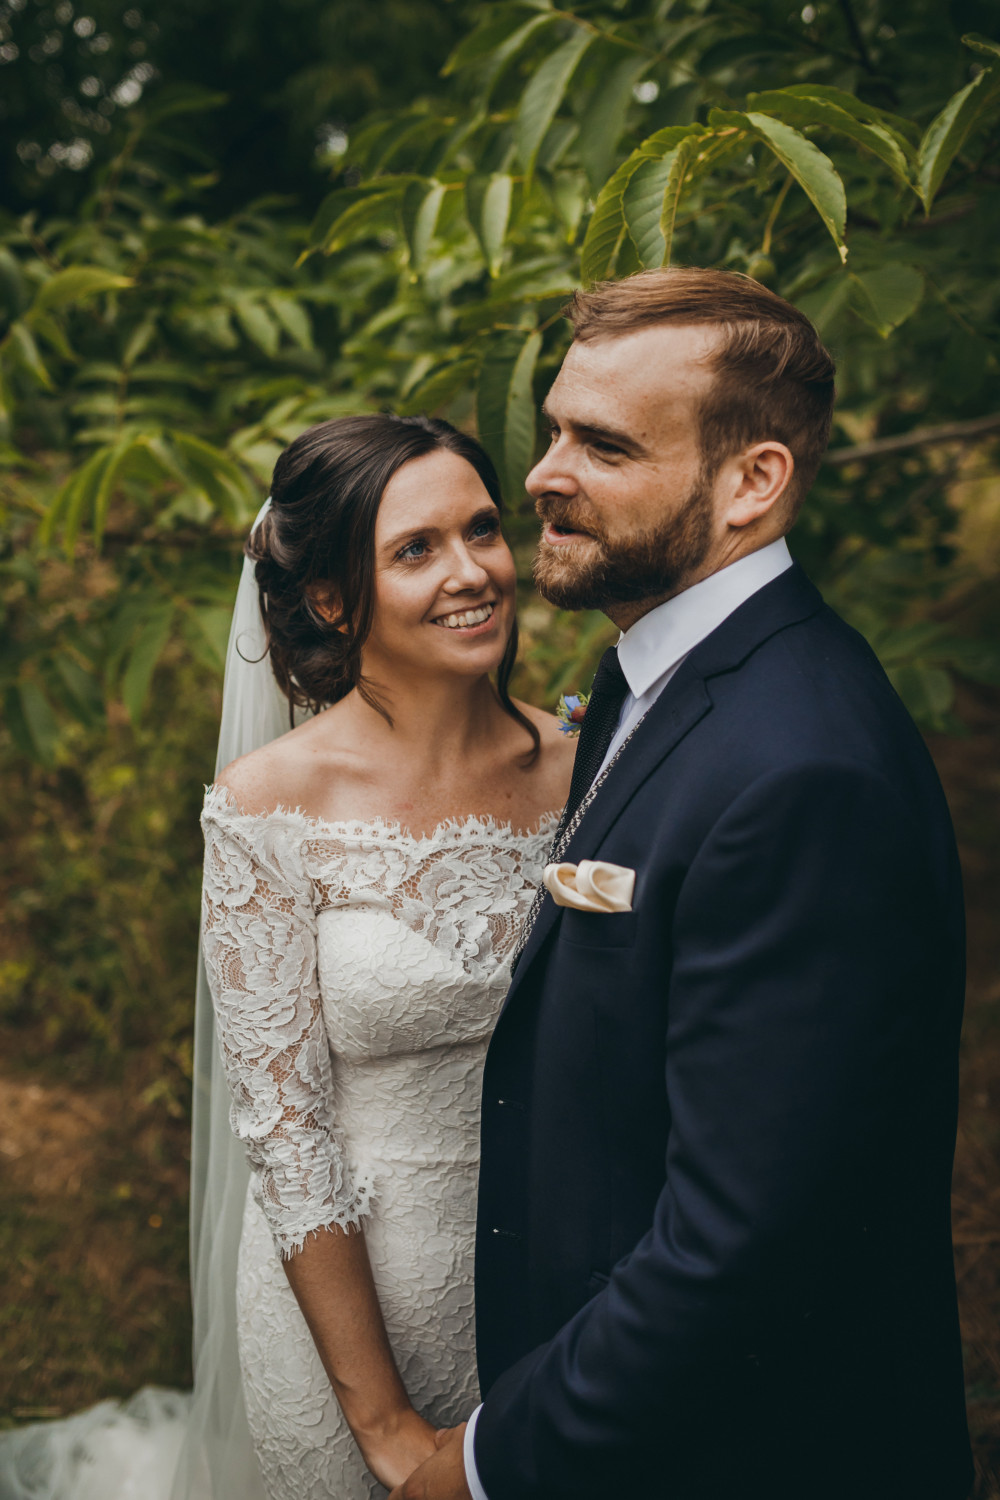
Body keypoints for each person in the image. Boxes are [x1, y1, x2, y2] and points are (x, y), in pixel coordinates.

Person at [391, 269, 974, 1500]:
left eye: (601, 444)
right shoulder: (656, 677)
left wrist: (491, 1460)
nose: (542, 474)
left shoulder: (803, 771)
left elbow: (736, 1248)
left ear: (750, 483)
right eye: (552, 428)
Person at [197, 413, 574, 1499]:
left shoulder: (590, 768)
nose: (473, 573)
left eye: (485, 530)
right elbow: (284, 1129)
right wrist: (386, 1425)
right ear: (331, 598)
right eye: (417, 549)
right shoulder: (271, 803)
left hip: (552, 1296)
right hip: (346, 1332)